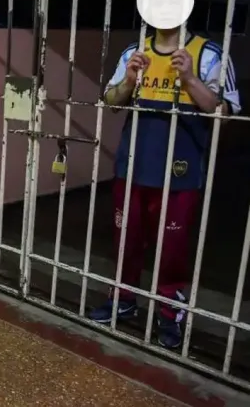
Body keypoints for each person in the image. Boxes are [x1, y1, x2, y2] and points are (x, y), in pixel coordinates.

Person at [89, 24, 240, 349]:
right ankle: (123, 299)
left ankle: (170, 310)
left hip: (180, 174)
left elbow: (225, 113)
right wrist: (129, 81)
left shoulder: (209, 54)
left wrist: (190, 79)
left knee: (172, 249)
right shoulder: (134, 51)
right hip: (132, 168)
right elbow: (111, 101)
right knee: (126, 241)